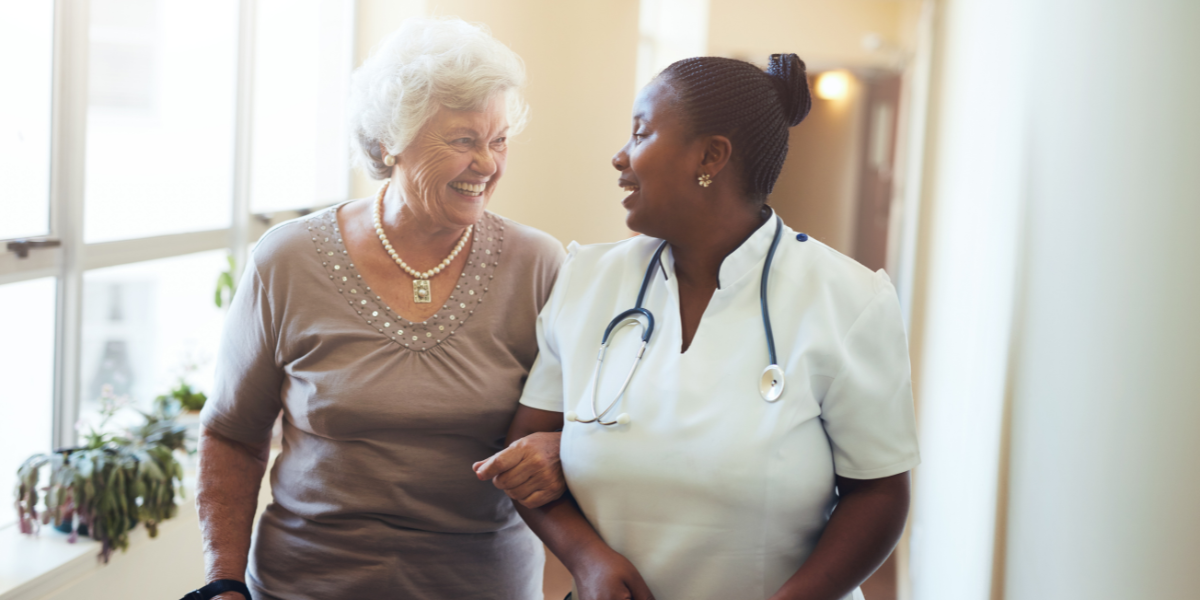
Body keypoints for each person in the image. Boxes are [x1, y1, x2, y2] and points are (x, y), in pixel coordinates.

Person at [498, 54, 920, 600]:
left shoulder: (848, 299)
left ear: (711, 156)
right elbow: (525, 447)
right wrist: (587, 560)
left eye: (641, 133)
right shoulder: (587, 280)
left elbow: (880, 492)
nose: (620, 157)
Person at [194, 18, 566, 600]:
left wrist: (560, 448)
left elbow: (587, 425)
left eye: (498, 141)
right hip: (307, 584)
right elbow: (232, 435)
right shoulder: (288, 259)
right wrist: (223, 581)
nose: (489, 165)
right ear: (391, 139)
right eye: (464, 140)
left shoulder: (539, 264)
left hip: (480, 586)